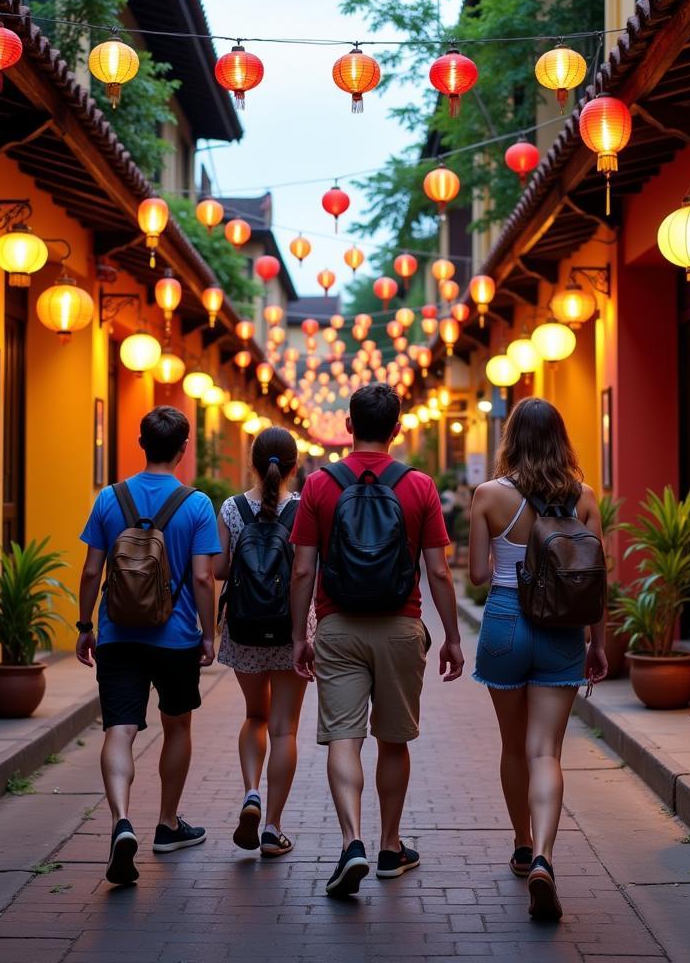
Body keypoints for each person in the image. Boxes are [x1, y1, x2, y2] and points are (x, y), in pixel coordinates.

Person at [289, 382, 465, 898]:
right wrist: (453, 636)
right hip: (401, 625)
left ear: (348, 426)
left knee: (343, 738)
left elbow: (303, 570)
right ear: (396, 429)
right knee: (394, 740)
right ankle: (391, 846)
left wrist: (302, 634)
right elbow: (438, 572)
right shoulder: (419, 486)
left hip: (338, 626)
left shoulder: (320, 484)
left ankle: (352, 842)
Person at [468, 397, 609, 921]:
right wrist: (598, 644)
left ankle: (522, 844)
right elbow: (597, 579)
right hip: (562, 629)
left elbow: (478, 576)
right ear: (560, 438)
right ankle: (546, 859)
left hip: (505, 620)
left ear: (510, 438)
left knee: (512, 747)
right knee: (545, 750)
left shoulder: (488, 495)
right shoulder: (585, 498)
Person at [75, 406, 220, 886]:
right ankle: (167, 823)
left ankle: (120, 820)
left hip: (117, 633)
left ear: (141, 443)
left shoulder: (109, 498)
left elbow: (93, 570)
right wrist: (210, 631)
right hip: (175, 637)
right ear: (182, 450)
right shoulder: (196, 504)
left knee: (119, 729)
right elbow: (203, 577)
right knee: (176, 726)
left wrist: (84, 624)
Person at [215, 426, 310, 858]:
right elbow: (311, 573)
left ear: (252, 463)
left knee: (256, 716)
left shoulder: (232, 509)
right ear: (294, 467)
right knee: (284, 728)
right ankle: (272, 826)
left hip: (246, 631)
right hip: (292, 631)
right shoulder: (306, 509)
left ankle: (251, 792)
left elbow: (219, 570)